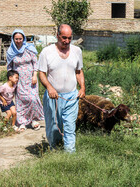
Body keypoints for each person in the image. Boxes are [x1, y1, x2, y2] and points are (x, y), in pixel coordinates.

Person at [38, 24, 85, 153]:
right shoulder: (47, 52)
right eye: (64, 38)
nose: (67, 41)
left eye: (70, 38)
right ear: (57, 35)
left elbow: (79, 71)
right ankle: (55, 151)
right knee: (54, 127)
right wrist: (49, 88)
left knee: (70, 126)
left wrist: (82, 88)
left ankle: (70, 154)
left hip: (71, 96)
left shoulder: (77, 51)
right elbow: (41, 73)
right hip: (54, 97)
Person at [6, 29, 44, 131]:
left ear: (23, 39)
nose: (18, 41)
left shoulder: (29, 49)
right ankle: (22, 122)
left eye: (20, 38)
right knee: (21, 100)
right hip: (18, 80)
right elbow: (9, 67)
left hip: (31, 79)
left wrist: (35, 75)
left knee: (33, 99)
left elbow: (35, 63)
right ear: (13, 39)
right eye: (16, 39)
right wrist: (11, 80)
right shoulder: (11, 52)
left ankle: (33, 120)